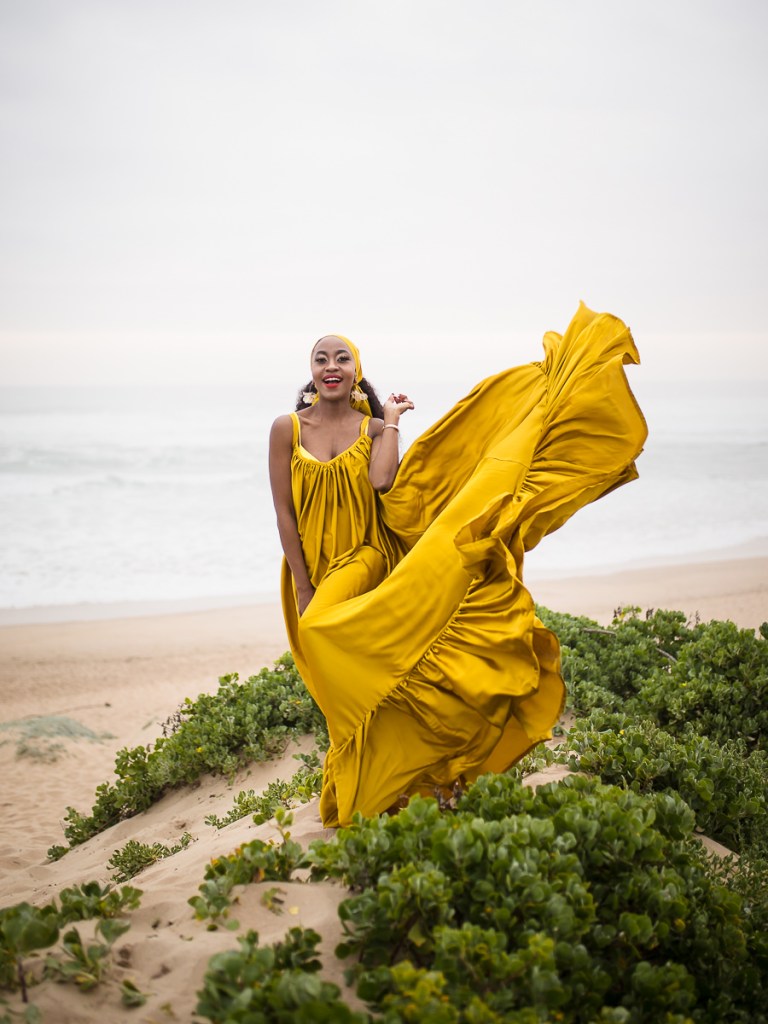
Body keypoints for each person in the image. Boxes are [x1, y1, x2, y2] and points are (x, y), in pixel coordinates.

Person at [269, 305, 647, 827]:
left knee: (323, 638)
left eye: (342, 359)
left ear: (356, 372)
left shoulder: (371, 426)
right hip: (308, 568)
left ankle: (409, 764)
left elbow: (382, 483)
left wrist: (393, 424)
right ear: (311, 371)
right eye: (320, 359)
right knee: (339, 675)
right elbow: (283, 511)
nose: (331, 366)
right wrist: (304, 584)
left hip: (363, 555)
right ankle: (373, 783)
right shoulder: (286, 428)